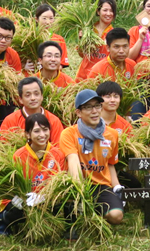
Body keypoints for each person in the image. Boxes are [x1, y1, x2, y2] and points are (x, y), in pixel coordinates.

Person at [59, 89, 124, 226]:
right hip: (77, 183)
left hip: (101, 185)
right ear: (78, 112)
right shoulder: (69, 133)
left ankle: (93, 210)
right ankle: (74, 220)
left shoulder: (112, 134)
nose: (94, 111)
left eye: (97, 106)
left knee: (116, 216)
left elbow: (110, 164)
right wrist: (80, 192)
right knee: (73, 226)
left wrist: (117, 186)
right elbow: (73, 160)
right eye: (88, 107)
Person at [0, 113, 66, 235]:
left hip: (46, 200)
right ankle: (4, 221)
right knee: (15, 209)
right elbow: (12, 185)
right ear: (28, 134)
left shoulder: (57, 154)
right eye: (36, 131)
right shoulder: (19, 155)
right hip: (24, 199)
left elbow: (60, 182)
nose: (42, 135)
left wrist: (45, 196)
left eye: (45, 130)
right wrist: (19, 197)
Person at [1, 77, 65, 144]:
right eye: (28, 95)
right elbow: (3, 146)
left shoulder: (54, 121)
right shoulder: (10, 120)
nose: (33, 98)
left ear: (42, 96)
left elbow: (58, 148)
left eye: (36, 94)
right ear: (20, 99)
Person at [77, 0, 117, 79]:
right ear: (98, 11)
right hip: (84, 74)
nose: (108, 14)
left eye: (111, 11)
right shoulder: (88, 30)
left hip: (103, 75)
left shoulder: (114, 34)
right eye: (105, 10)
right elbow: (82, 54)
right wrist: (81, 40)